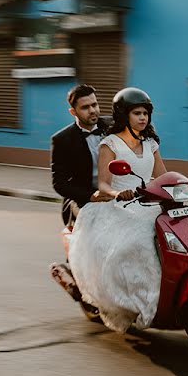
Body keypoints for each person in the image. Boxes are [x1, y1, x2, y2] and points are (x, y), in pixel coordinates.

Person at [67, 87, 170, 333]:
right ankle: (139, 300)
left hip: (147, 203)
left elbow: (163, 176)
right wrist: (116, 193)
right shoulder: (110, 144)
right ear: (124, 115)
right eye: (137, 113)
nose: (143, 118)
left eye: (145, 113)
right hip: (118, 206)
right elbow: (103, 183)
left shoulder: (151, 143)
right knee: (139, 241)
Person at [50, 85, 112, 229]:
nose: (92, 111)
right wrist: (90, 196)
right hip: (83, 200)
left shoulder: (114, 126)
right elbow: (59, 183)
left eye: (94, 105)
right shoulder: (62, 140)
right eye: (85, 107)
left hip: (116, 193)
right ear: (73, 112)